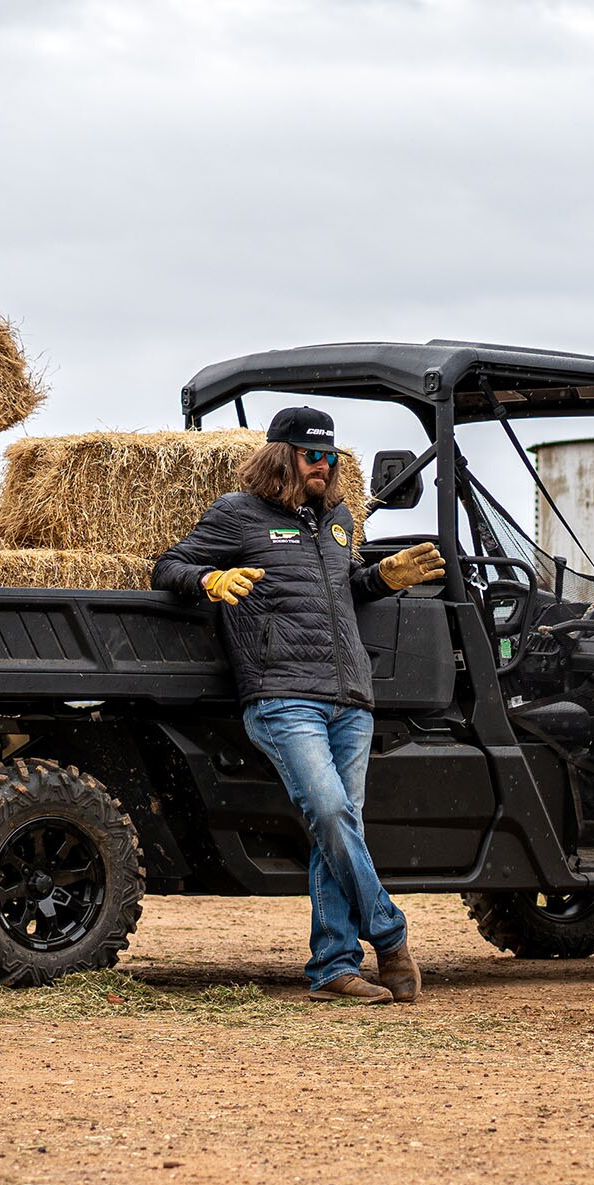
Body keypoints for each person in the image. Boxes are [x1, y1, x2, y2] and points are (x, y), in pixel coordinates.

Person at [154, 406, 446, 1003]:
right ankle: (390, 936)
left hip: (350, 698)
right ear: (282, 456)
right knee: (333, 813)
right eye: (312, 455)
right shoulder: (238, 515)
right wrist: (207, 581)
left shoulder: (338, 520)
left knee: (336, 829)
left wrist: (382, 577)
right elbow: (169, 566)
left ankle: (334, 967)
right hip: (283, 697)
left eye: (331, 456)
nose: (324, 466)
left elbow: (344, 589)